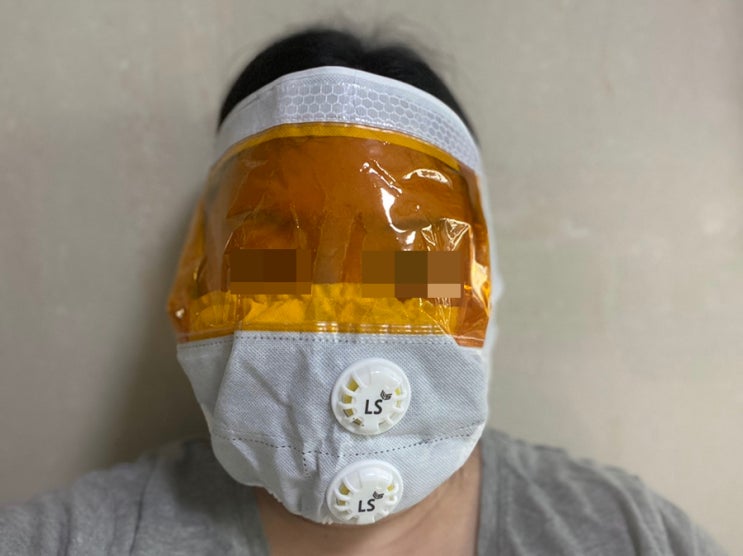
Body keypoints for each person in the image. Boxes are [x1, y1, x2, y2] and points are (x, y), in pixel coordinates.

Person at [0, 28, 727, 556]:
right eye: (275, 253)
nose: (334, 304)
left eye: (404, 253)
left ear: (483, 275)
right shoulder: (82, 538)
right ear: (205, 273)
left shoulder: (628, 533)